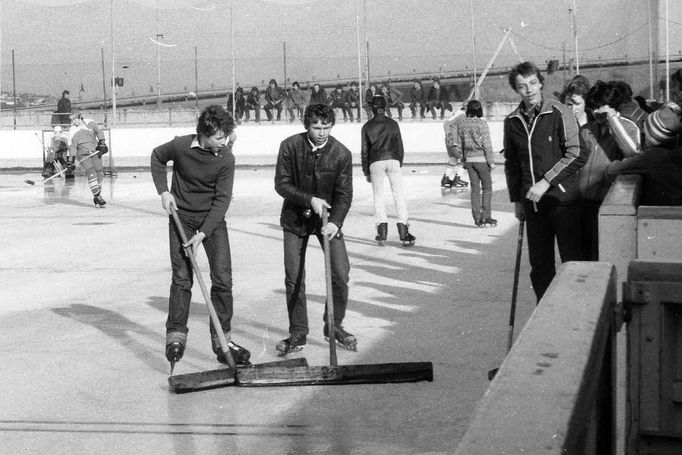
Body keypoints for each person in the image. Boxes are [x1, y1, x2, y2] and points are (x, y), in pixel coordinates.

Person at [150, 105, 251, 368]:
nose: (224, 142)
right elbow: (157, 157)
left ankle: (222, 341)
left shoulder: (226, 158)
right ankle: (175, 337)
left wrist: (203, 233)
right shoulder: (181, 146)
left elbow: (222, 200)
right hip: (181, 217)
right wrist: (164, 191)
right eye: (219, 137)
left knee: (222, 278)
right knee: (182, 278)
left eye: (227, 137)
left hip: (213, 222)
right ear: (205, 134)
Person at [273, 103, 356, 355]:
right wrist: (309, 199)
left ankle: (334, 325)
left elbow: (344, 194)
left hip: (328, 221)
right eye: (316, 127)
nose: (321, 133)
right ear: (306, 125)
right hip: (295, 219)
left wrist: (335, 221)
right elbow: (282, 184)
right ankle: (298, 332)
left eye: (326, 128)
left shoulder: (341, 153)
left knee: (340, 273)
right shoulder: (290, 146)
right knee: (294, 276)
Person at [503, 61, 586, 302]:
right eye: (521, 86)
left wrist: (546, 181)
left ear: (540, 82)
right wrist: (517, 200)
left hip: (562, 201)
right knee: (540, 265)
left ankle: (578, 310)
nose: (528, 90)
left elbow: (576, 153)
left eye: (532, 83)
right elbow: (512, 163)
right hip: (533, 205)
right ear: (516, 90)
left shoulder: (560, 112)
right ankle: (546, 312)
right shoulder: (512, 121)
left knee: (572, 261)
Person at [361, 96, 415, 245]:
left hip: (375, 161)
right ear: (384, 107)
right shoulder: (393, 124)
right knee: (398, 195)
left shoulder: (367, 126)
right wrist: (399, 162)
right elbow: (400, 146)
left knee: (378, 196)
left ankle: (382, 231)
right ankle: (404, 230)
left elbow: (364, 151)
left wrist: (366, 170)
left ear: (372, 108)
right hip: (393, 160)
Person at [606, 103, 682, 206]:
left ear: (650, 137)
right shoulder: (675, 154)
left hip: (660, 215)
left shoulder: (651, 158)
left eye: (645, 133)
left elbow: (612, 170)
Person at [451, 100, 496, 227]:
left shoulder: (461, 124)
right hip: (481, 160)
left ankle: (477, 218)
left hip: (469, 160)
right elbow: (487, 144)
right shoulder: (482, 124)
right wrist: (491, 161)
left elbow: (459, 144)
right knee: (487, 188)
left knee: (475, 190)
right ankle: (486, 217)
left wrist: (463, 159)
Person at [68, 110, 109, 207]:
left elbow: (99, 131)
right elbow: (73, 147)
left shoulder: (90, 122)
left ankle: (96, 196)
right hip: (83, 153)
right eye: (71, 120)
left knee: (99, 171)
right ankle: (98, 196)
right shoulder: (72, 130)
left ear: (79, 117)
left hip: (95, 151)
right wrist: (71, 161)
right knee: (91, 172)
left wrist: (102, 142)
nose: (73, 122)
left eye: (74, 119)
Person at [442, 103, 469, 189]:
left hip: (451, 141)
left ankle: (445, 179)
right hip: (455, 141)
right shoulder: (461, 115)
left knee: (453, 159)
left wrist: (448, 137)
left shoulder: (458, 113)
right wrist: (450, 136)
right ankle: (457, 179)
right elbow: (446, 124)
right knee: (464, 160)